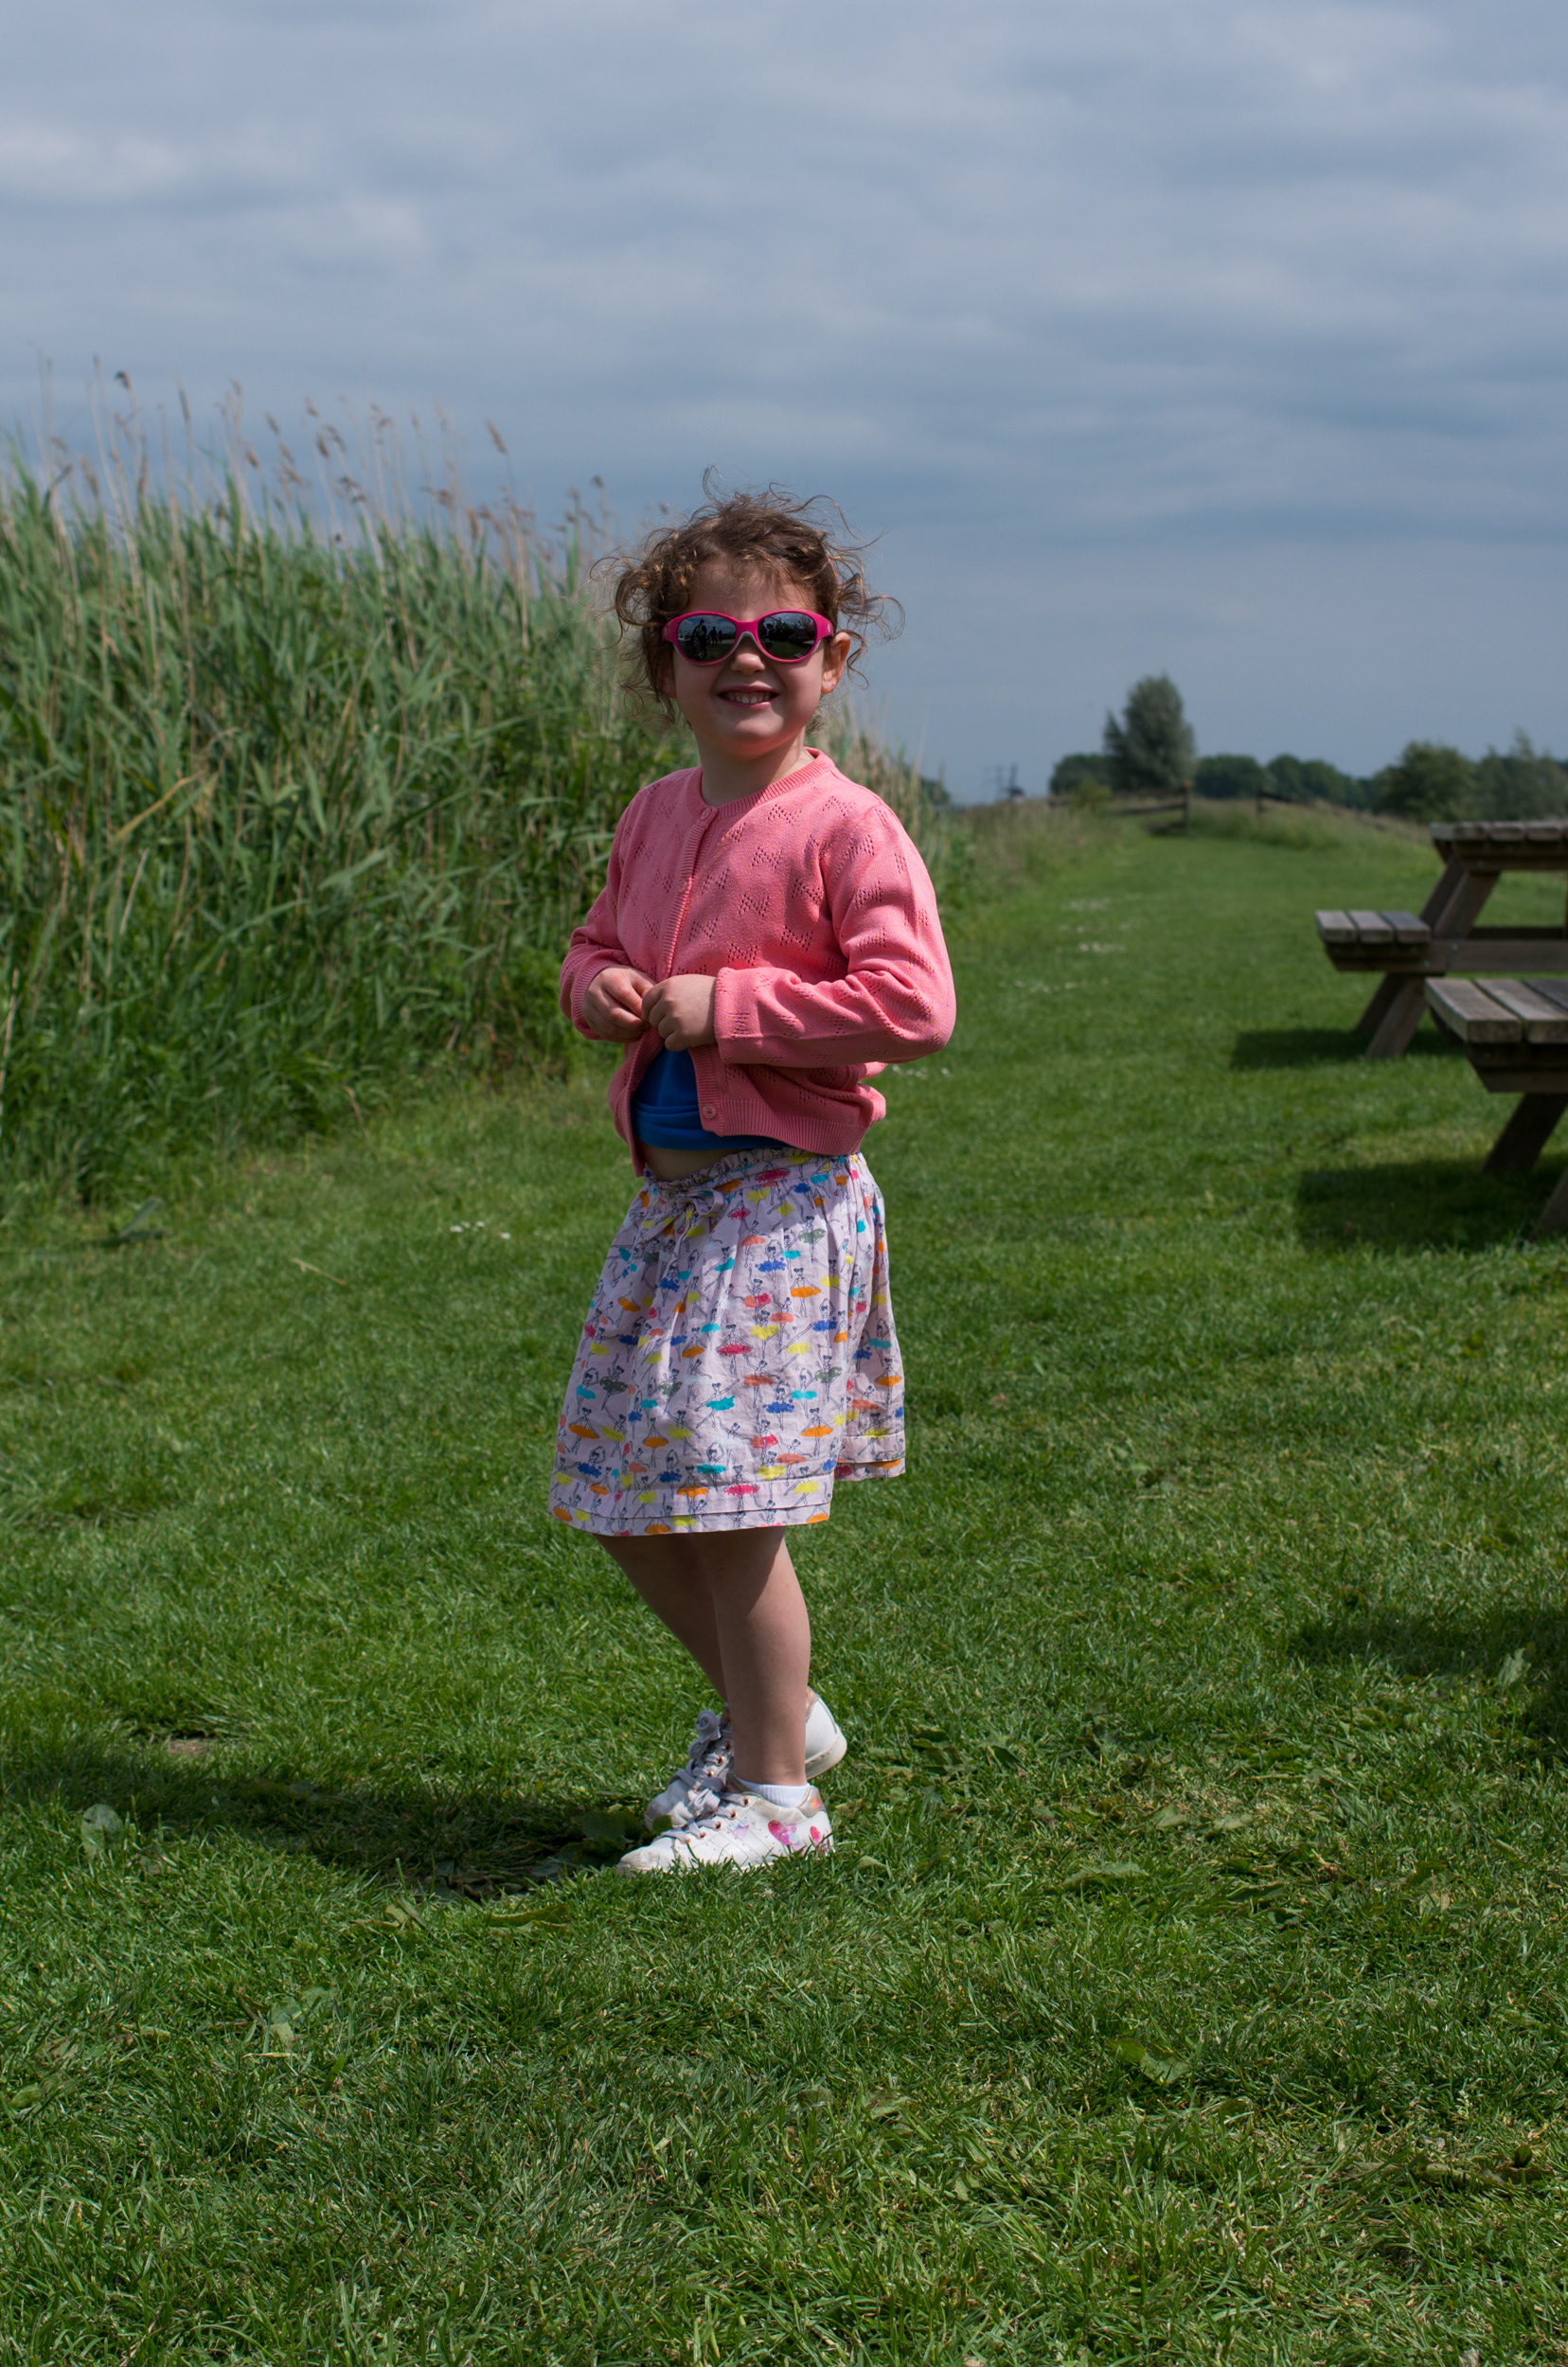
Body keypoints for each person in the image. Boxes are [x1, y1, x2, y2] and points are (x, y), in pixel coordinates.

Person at [551, 487, 955, 1872]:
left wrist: (730, 1009)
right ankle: (774, 1715)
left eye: (784, 635)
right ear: (662, 665)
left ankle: (778, 1797)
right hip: (670, 1211)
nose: (748, 658)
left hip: (779, 1208)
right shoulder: (655, 814)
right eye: (708, 635)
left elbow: (913, 1004)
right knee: (614, 1485)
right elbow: (595, 942)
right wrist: (600, 986)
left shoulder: (847, 827)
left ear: (831, 661)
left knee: (731, 1510)